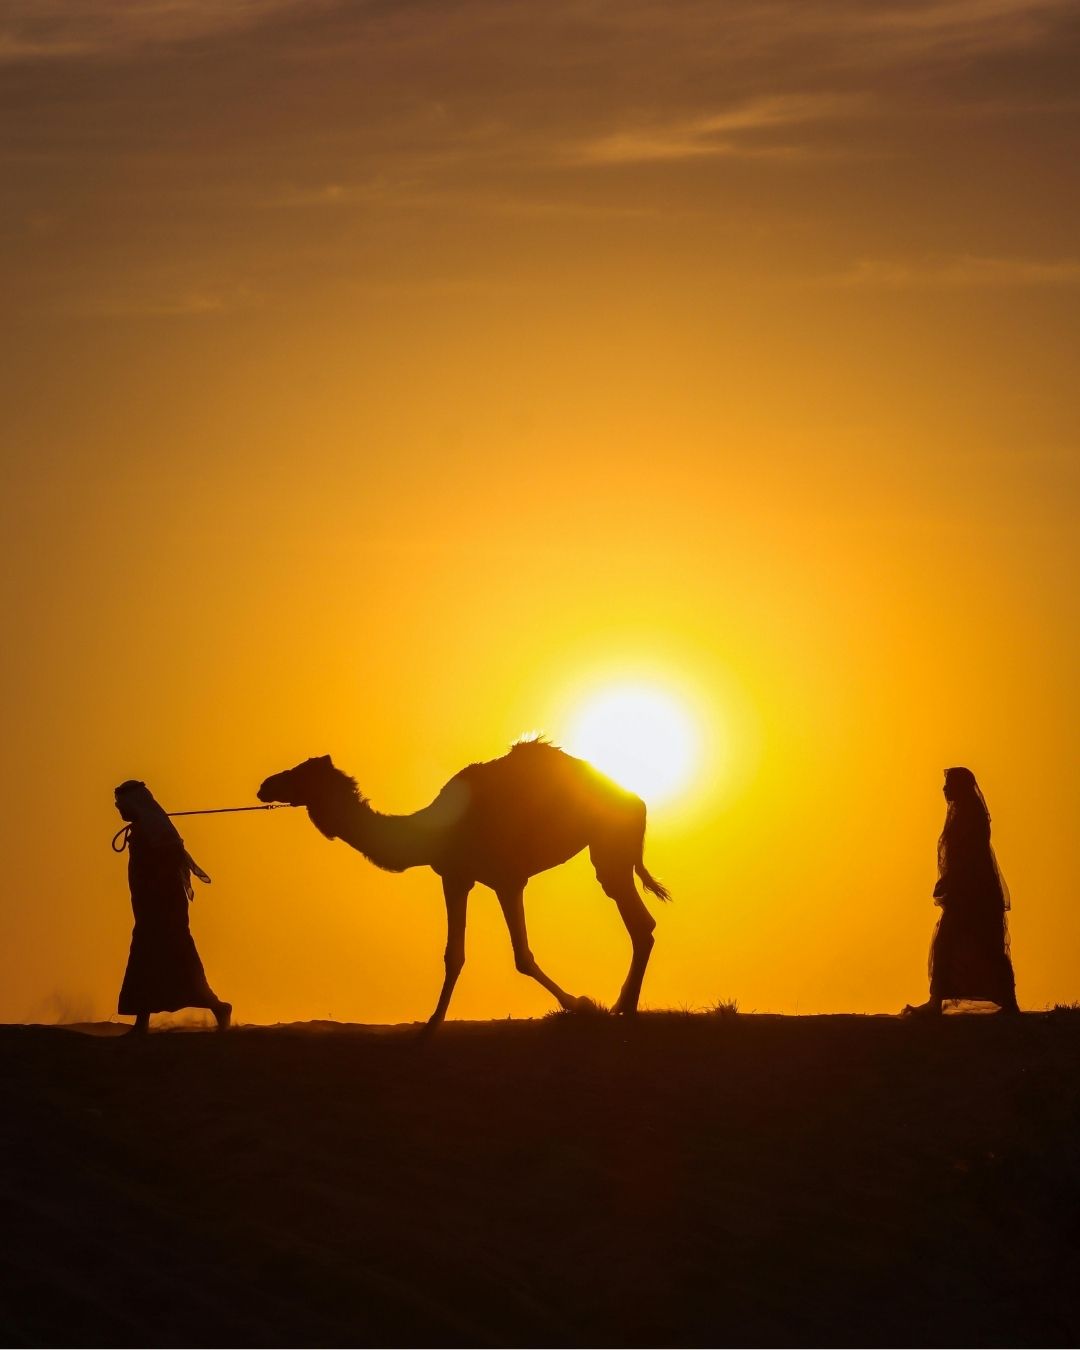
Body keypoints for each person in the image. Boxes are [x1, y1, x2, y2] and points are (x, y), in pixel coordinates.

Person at [114, 780, 231, 1033]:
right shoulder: (147, 826)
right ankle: (143, 1022)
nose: (119, 810)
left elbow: (169, 866)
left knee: (173, 959)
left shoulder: (156, 829)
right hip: (149, 910)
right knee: (147, 960)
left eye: (121, 805)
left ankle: (217, 1007)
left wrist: (157, 903)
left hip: (163, 910)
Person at [904, 767, 1019, 1016]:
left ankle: (1005, 1002)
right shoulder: (962, 813)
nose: (944, 789)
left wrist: (953, 881)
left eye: (949, 784)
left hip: (974, 893)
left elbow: (970, 856)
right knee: (955, 942)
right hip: (966, 891)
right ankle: (939, 1000)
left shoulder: (969, 815)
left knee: (979, 944)